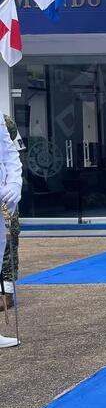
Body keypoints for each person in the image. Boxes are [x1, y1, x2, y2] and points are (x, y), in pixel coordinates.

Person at [0, 114, 24, 316]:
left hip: (4, 195)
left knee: (8, 239)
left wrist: (15, 183)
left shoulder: (5, 120)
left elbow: (12, 153)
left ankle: (7, 289)